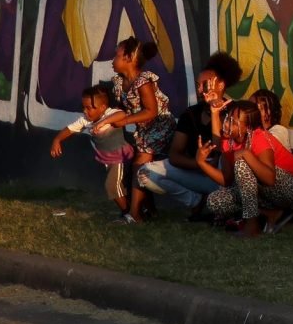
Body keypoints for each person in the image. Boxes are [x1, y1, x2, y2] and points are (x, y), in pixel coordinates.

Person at [138, 51, 241, 215]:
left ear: (220, 85)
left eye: (205, 84)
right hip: (197, 172)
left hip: (223, 178)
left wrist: (216, 111)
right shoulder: (191, 114)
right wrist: (199, 163)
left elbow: (225, 149)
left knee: (224, 159)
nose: (200, 90)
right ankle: (195, 201)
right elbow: (175, 155)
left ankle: (222, 207)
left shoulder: (236, 111)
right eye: (198, 84)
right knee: (145, 173)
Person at [202, 98, 293, 235]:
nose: (227, 124)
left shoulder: (259, 137)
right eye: (227, 119)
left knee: (242, 164)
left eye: (233, 122)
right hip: (265, 193)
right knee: (215, 201)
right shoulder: (228, 141)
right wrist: (201, 163)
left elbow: (270, 179)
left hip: (292, 186)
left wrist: (246, 153)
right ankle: (270, 213)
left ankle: (252, 226)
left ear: (248, 127)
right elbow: (226, 179)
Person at [104, 35, 174, 218]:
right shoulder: (119, 82)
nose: (113, 60)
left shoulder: (143, 81)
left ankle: (135, 215)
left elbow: (151, 111)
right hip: (143, 131)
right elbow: (122, 109)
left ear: (128, 58)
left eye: (116, 56)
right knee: (139, 168)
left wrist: (125, 121)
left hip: (159, 127)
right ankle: (149, 211)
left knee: (139, 165)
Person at [49, 83, 137, 221]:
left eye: (89, 108)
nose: (85, 111)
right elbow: (70, 129)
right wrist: (57, 140)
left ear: (102, 107)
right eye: (84, 107)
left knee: (112, 186)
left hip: (121, 158)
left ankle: (130, 215)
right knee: (119, 187)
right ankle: (131, 212)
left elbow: (121, 114)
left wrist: (103, 122)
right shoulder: (86, 120)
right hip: (108, 160)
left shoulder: (110, 113)